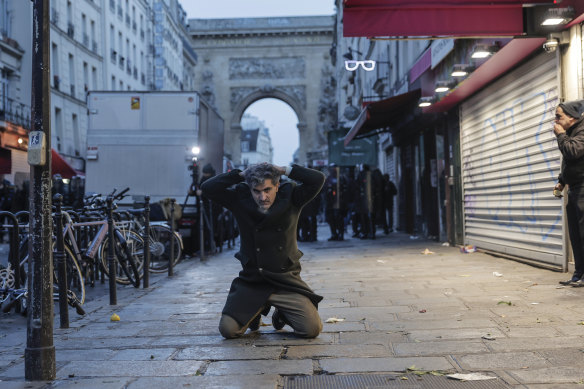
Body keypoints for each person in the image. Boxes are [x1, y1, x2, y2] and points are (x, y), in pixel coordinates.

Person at [201, 162, 326, 338]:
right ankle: (254, 311)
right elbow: (208, 187)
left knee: (311, 329)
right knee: (228, 330)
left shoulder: (292, 197)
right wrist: (240, 174)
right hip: (253, 281)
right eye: (257, 191)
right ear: (250, 189)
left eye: (267, 190)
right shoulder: (240, 199)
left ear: (277, 186)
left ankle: (282, 312)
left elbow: (318, 179)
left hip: (285, 281)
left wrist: (284, 170)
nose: (262, 197)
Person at [553, 100, 584, 287]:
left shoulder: (581, 131)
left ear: (572, 117)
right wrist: (561, 180)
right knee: (576, 235)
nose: (555, 120)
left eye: (559, 116)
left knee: (583, 234)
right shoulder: (573, 132)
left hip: (583, 189)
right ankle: (578, 275)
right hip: (574, 189)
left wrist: (561, 136)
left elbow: (573, 151)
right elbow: (571, 162)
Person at [324, 164, 348, 241]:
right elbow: (325, 190)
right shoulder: (328, 179)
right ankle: (334, 234)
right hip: (330, 203)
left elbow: (345, 190)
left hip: (339, 203)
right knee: (331, 219)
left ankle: (341, 234)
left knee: (339, 219)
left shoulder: (341, 178)